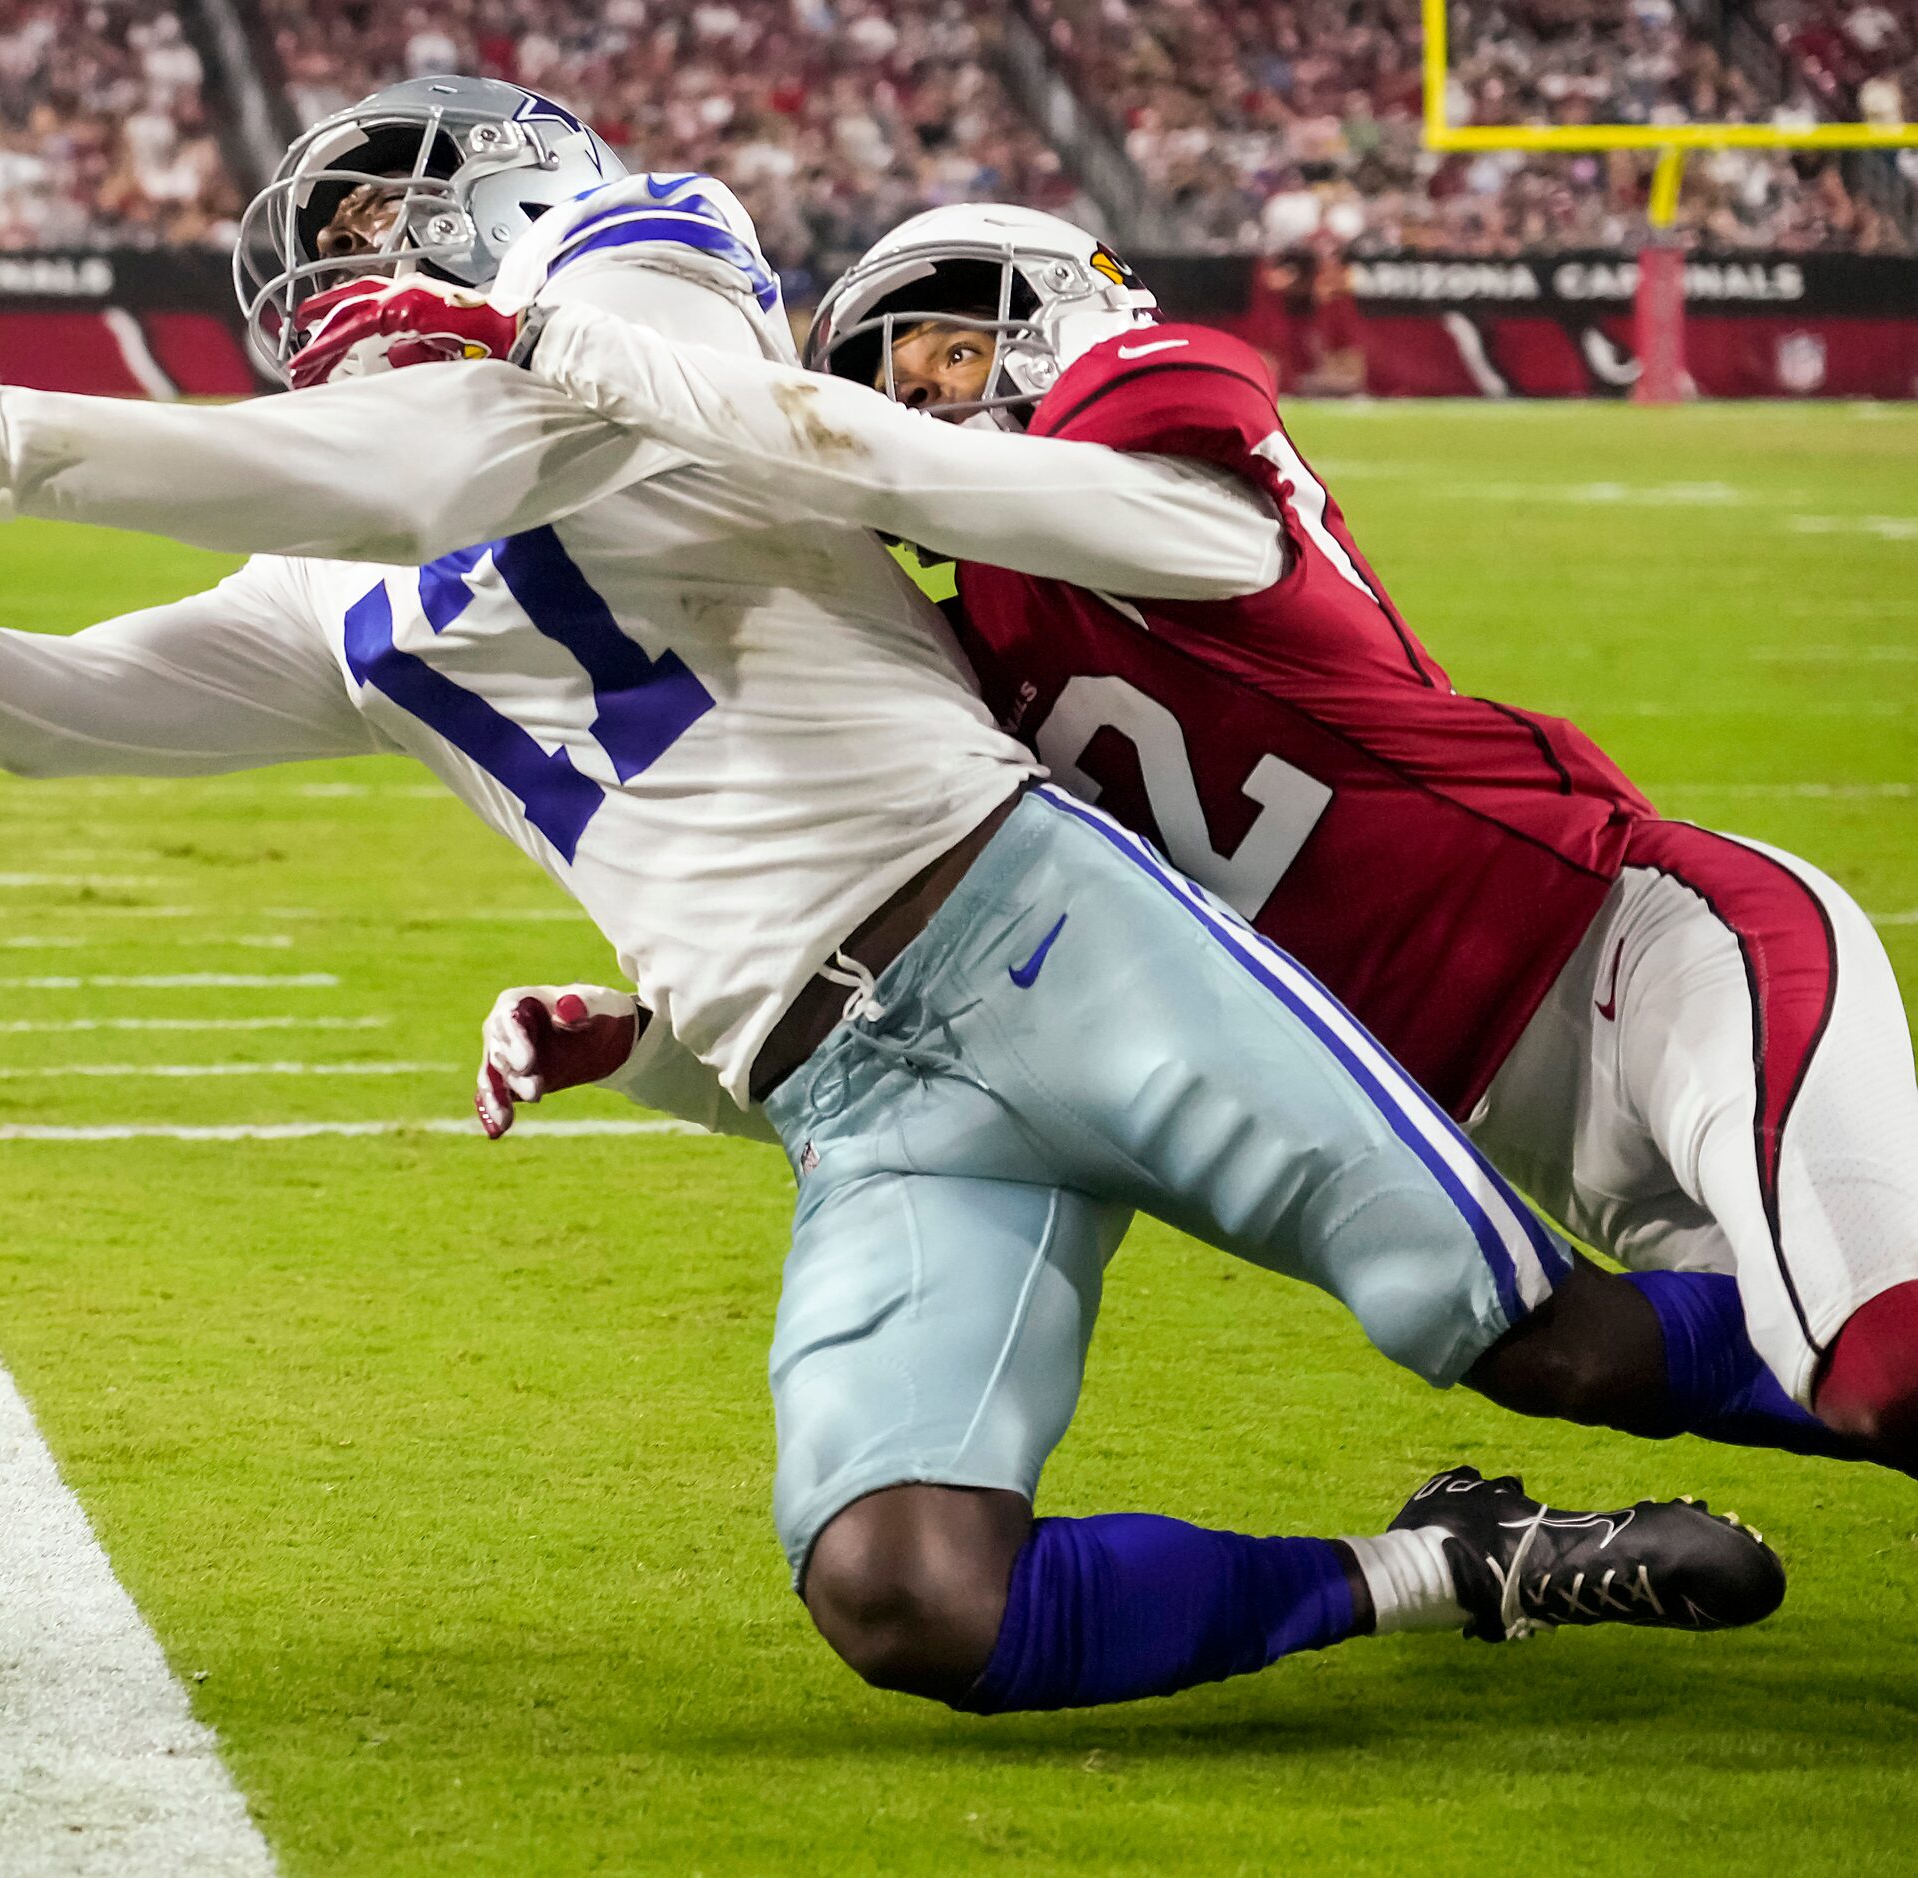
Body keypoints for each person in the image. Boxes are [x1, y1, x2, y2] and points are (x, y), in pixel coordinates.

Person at [0, 79, 1781, 1722]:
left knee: (1548, 1335)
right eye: (326, 251)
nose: (351, 272)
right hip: (852, 1098)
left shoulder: (646, 284)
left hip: (1029, 923)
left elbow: (452, 459)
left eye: (379, 217)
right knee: (912, 1595)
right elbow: (45, 713)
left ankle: (1858, 1342)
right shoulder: (325, 581)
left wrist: (14, 435)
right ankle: (1455, 1570)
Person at [457, 200, 1918, 1477]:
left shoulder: (1163, 429)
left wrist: (559, 346)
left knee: (1880, 1357)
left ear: (1058, 309)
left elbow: (926, 477)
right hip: (1515, 1133)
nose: (918, 398)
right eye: (891, 383)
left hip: (1644, 955)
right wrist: (645, 1045)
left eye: (948, 353)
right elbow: (940, 1018)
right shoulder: (968, 683)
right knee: (1833, 1398)